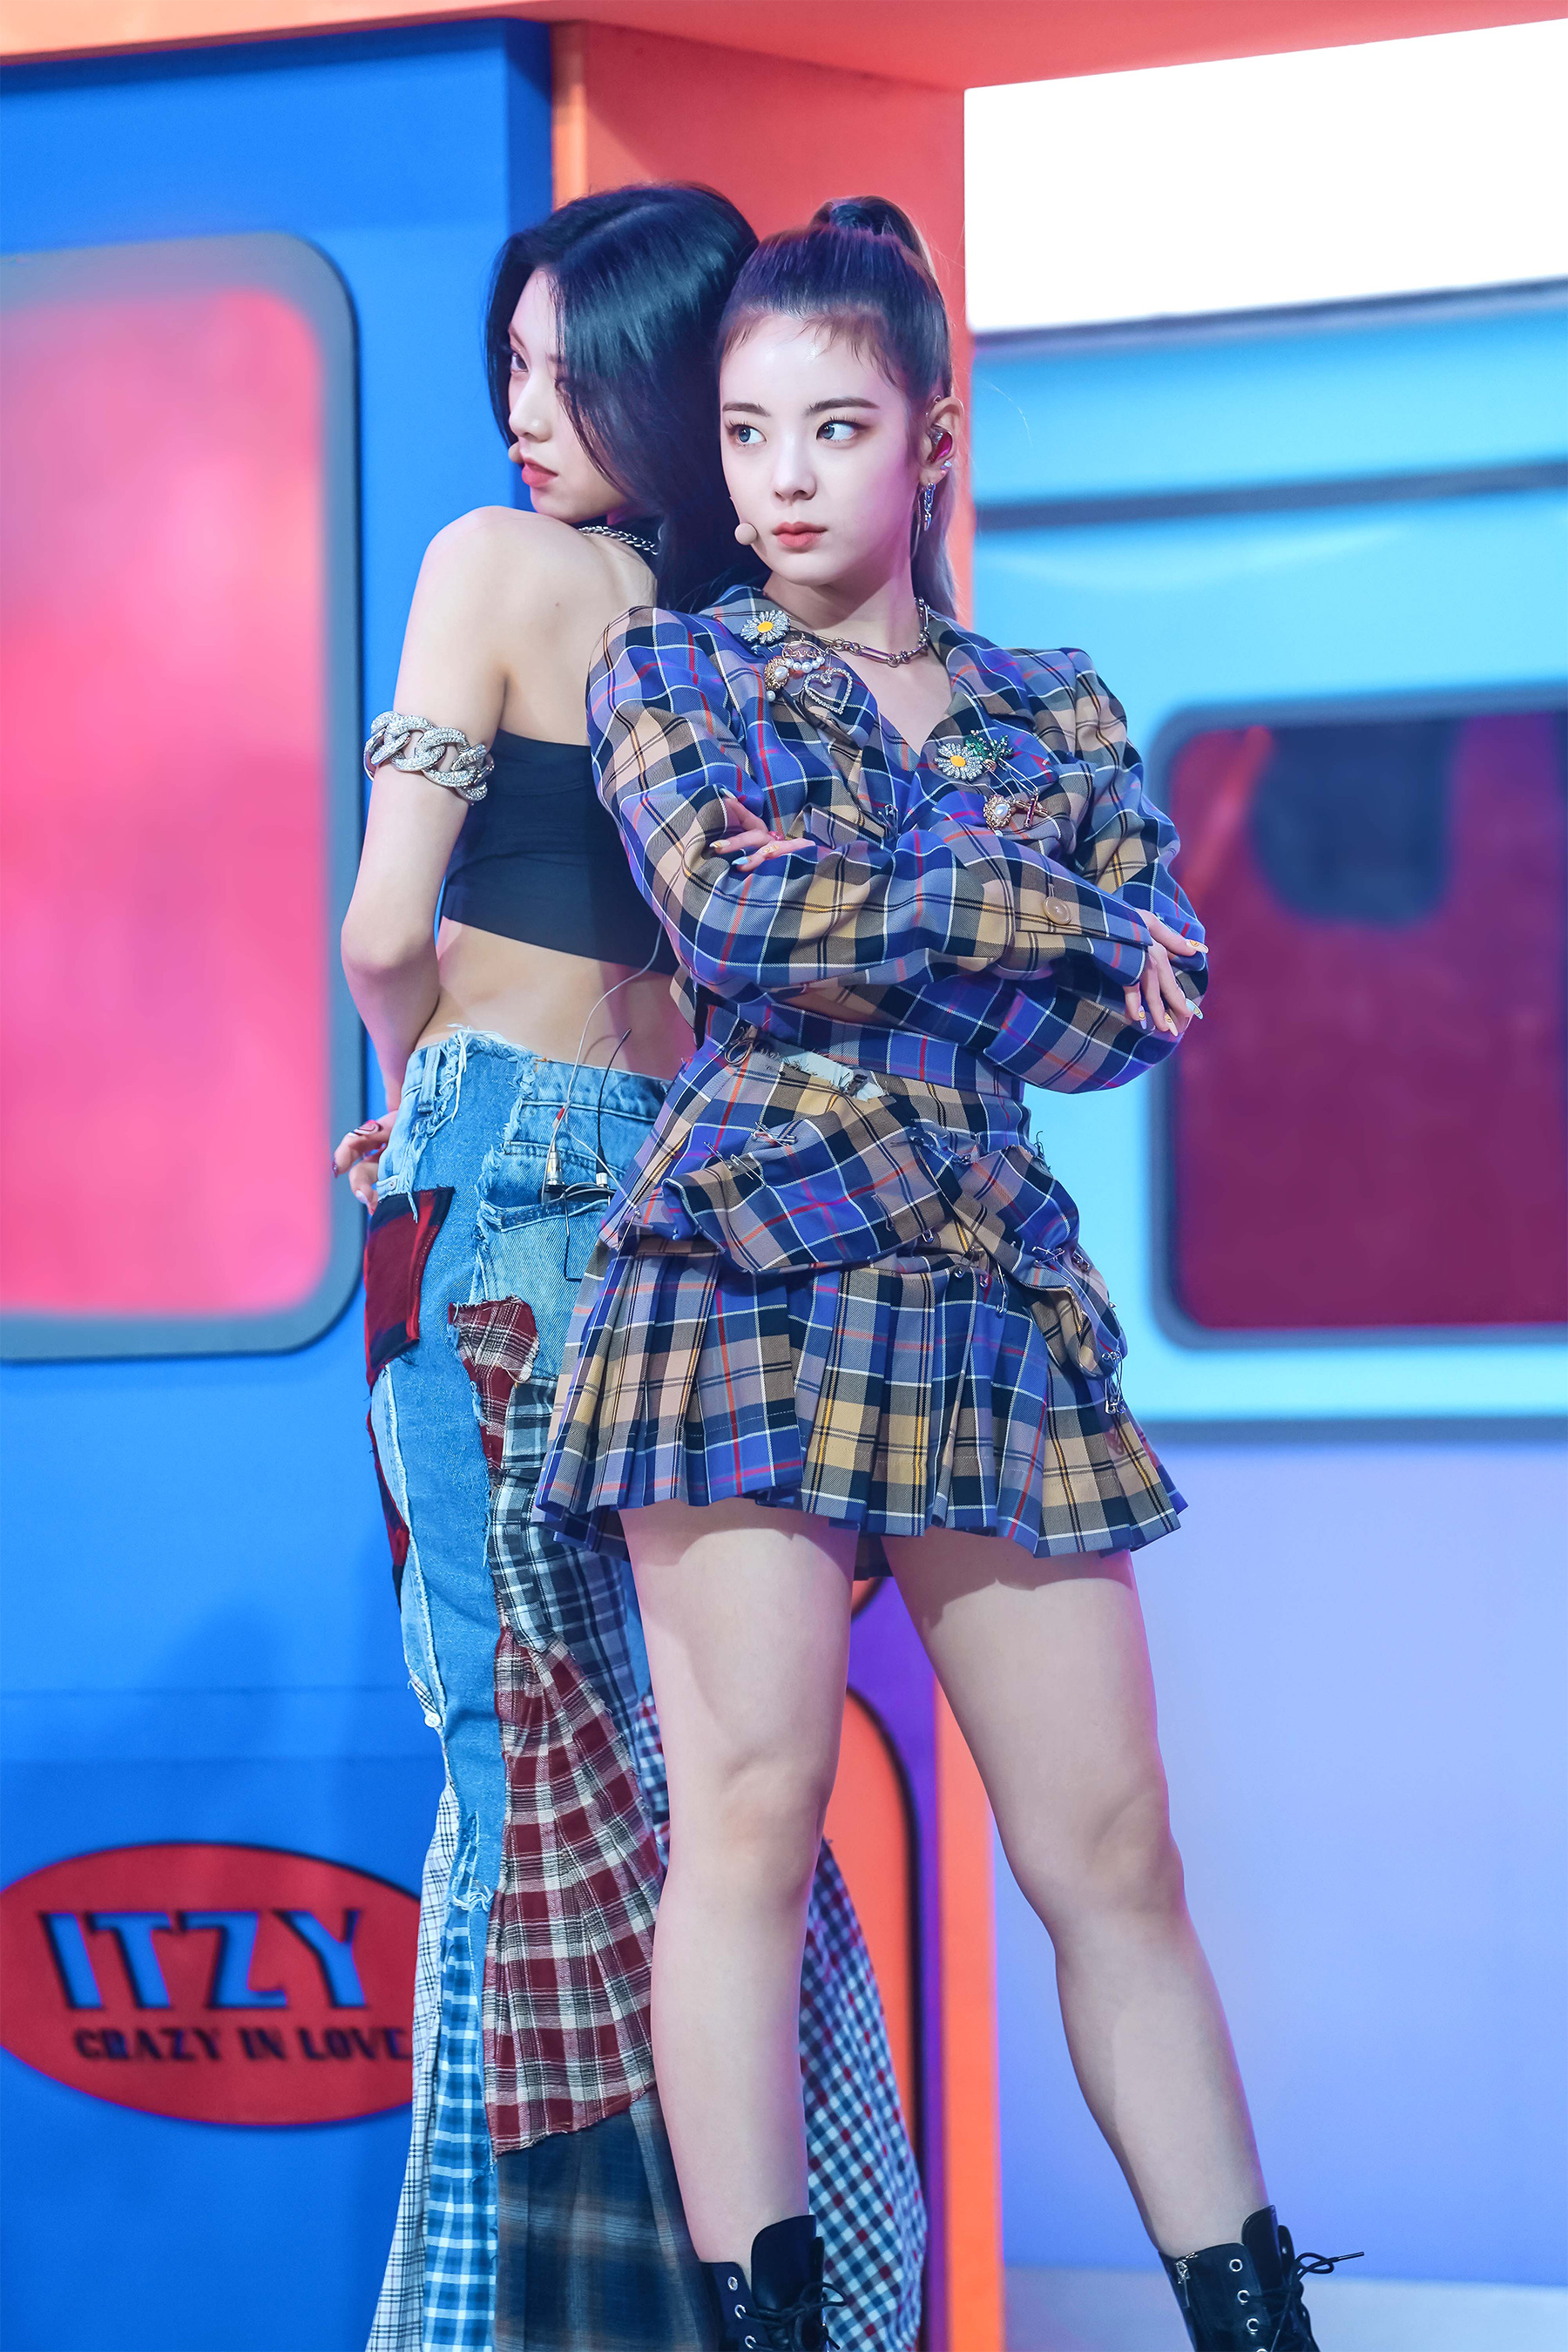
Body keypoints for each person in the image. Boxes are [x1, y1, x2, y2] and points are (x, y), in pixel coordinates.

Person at [535, 197, 1361, 2352]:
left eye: (831, 427)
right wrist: (1038, 906)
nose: (781, 479)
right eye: (745, 433)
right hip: (746, 1266)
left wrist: (934, 909)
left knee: (1116, 1855)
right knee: (749, 1822)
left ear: (933, 436)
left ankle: (1256, 2318)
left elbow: (1133, 1020)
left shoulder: (1051, 699)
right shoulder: (675, 667)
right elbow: (738, 922)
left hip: (986, 1285)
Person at [334, 186, 923, 2352]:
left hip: (497, 1197)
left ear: (665, 380)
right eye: (511, 367)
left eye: (571, 372)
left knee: (530, 1786)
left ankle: (529, 2322)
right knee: (721, 1806)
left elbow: (381, 929)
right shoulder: (756, 644)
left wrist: (414, 1099)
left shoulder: (492, 569)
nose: (527, 414)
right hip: (704, 1213)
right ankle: (805, 2280)